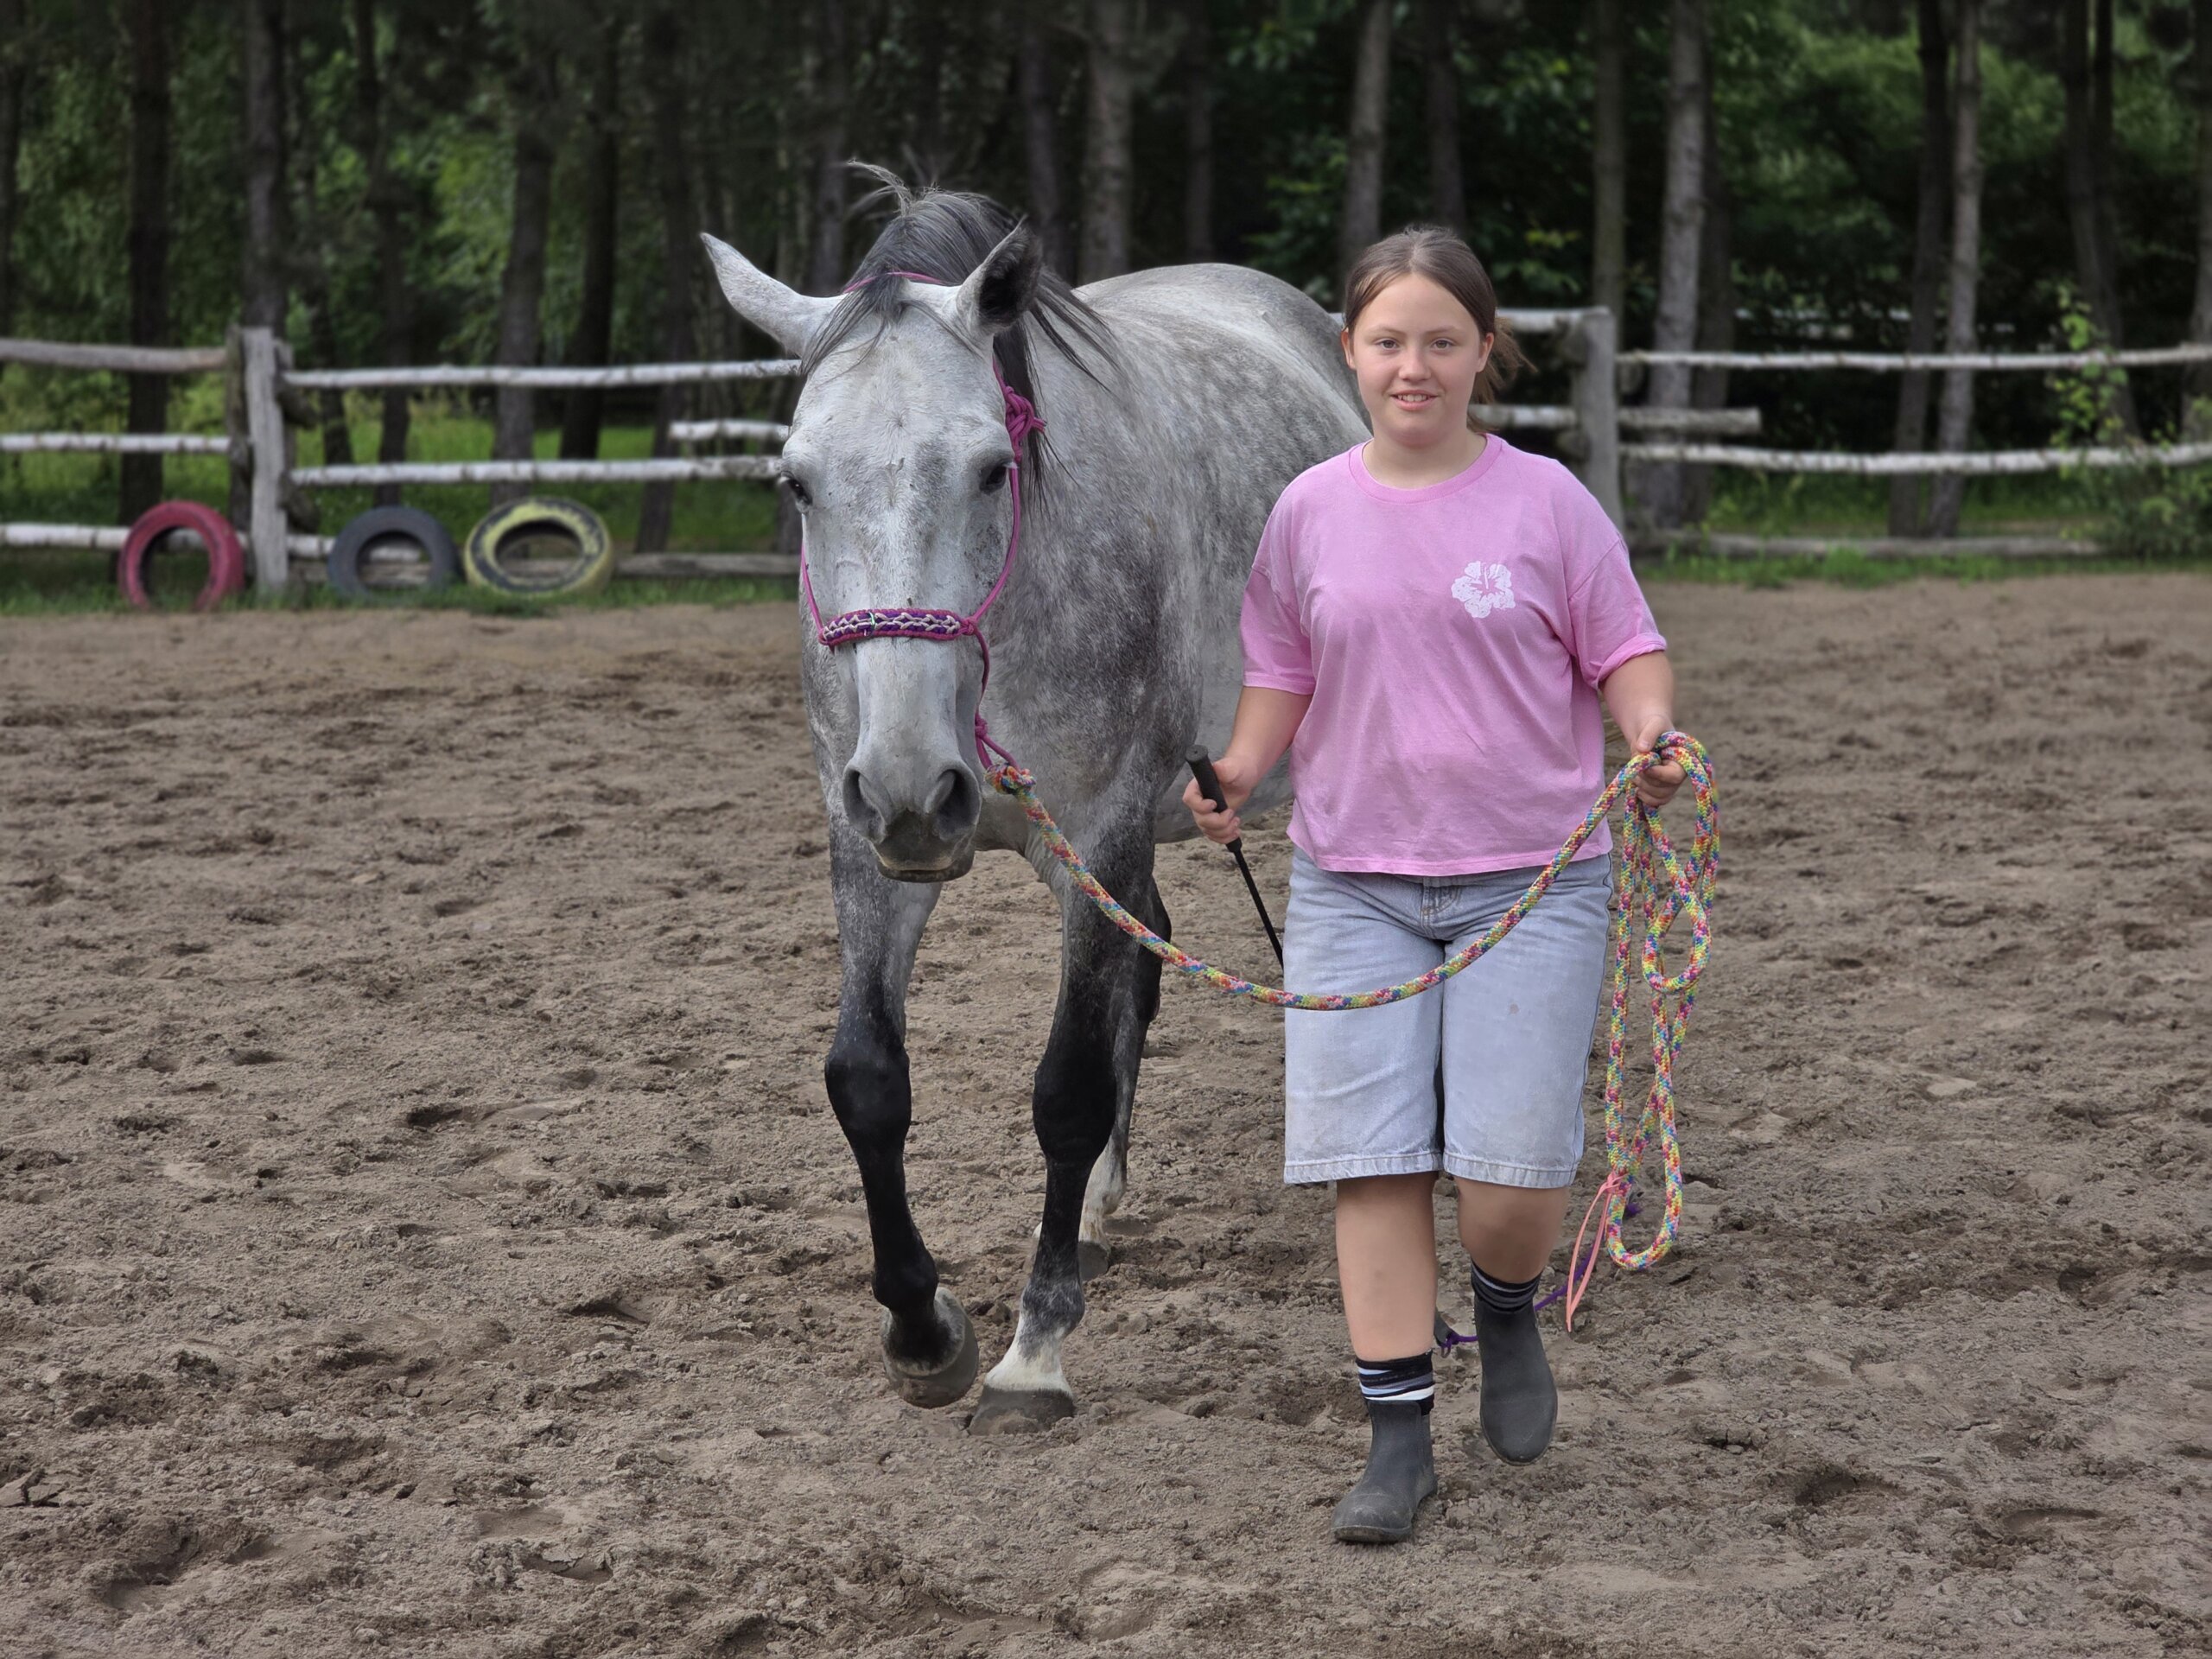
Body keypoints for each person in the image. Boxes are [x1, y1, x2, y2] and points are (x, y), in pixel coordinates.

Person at [1183, 226, 1683, 1545]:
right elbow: (1282, 669)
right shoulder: (1308, 510)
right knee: (1375, 1166)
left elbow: (1625, 647)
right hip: (1352, 884)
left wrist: (1649, 735)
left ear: (1483, 353)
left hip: (1532, 880)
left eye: (1443, 342)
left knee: (1510, 1180)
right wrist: (1240, 768)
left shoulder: (1548, 502)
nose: (1415, 366)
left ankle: (1507, 1305)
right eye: (1390, 341)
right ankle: (1396, 1444)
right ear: (1348, 351)